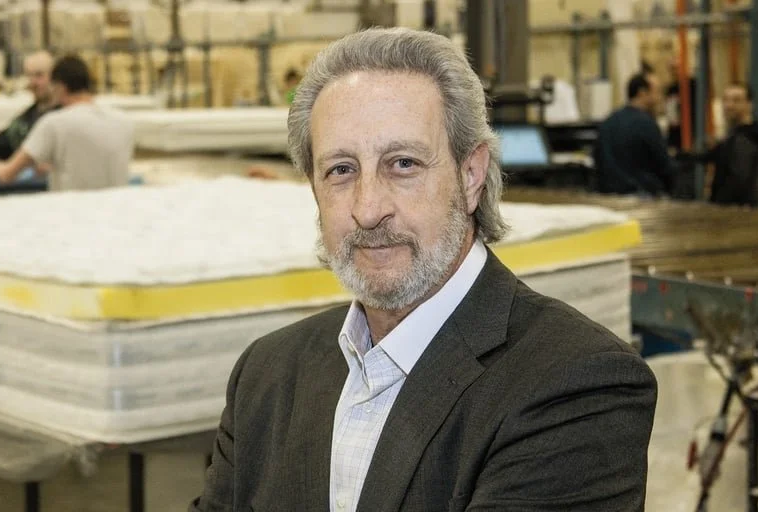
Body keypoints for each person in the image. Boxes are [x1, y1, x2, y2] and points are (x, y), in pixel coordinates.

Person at [191, 27, 657, 511]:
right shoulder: (266, 375)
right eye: (341, 170)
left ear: (471, 175)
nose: (368, 209)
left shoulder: (576, 384)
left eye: (403, 163)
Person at [0, 56, 134, 192]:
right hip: (115, 213)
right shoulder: (124, 121)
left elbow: (7, 174)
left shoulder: (54, 124)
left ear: (59, 87)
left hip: (72, 214)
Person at [680, 83, 758, 207]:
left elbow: (739, 181)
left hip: (738, 213)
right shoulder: (735, 134)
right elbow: (711, 155)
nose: (729, 105)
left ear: (749, 104)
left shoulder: (746, 139)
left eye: (736, 100)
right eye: (726, 100)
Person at [0, 51, 58, 165]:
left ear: (55, 77)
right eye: (29, 75)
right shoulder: (24, 120)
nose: (33, 82)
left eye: (39, 75)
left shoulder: (63, 117)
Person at [593, 73, 675, 196]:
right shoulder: (646, 124)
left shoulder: (609, 121)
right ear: (642, 93)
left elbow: (597, 158)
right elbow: (664, 165)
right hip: (641, 197)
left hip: (608, 197)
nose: (659, 98)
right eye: (656, 92)